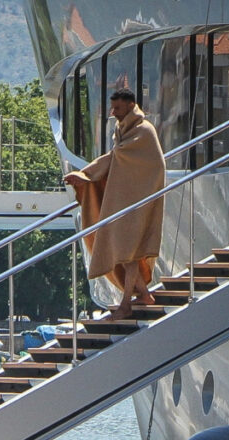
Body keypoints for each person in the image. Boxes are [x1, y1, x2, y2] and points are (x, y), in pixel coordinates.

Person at [64, 87, 165, 321]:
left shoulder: (143, 131)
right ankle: (143, 296)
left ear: (130, 106)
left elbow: (120, 157)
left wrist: (86, 174)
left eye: (117, 108)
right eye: (113, 108)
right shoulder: (125, 130)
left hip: (140, 200)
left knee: (128, 252)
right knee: (127, 252)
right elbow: (117, 157)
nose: (114, 112)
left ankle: (126, 304)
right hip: (128, 199)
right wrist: (86, 176)